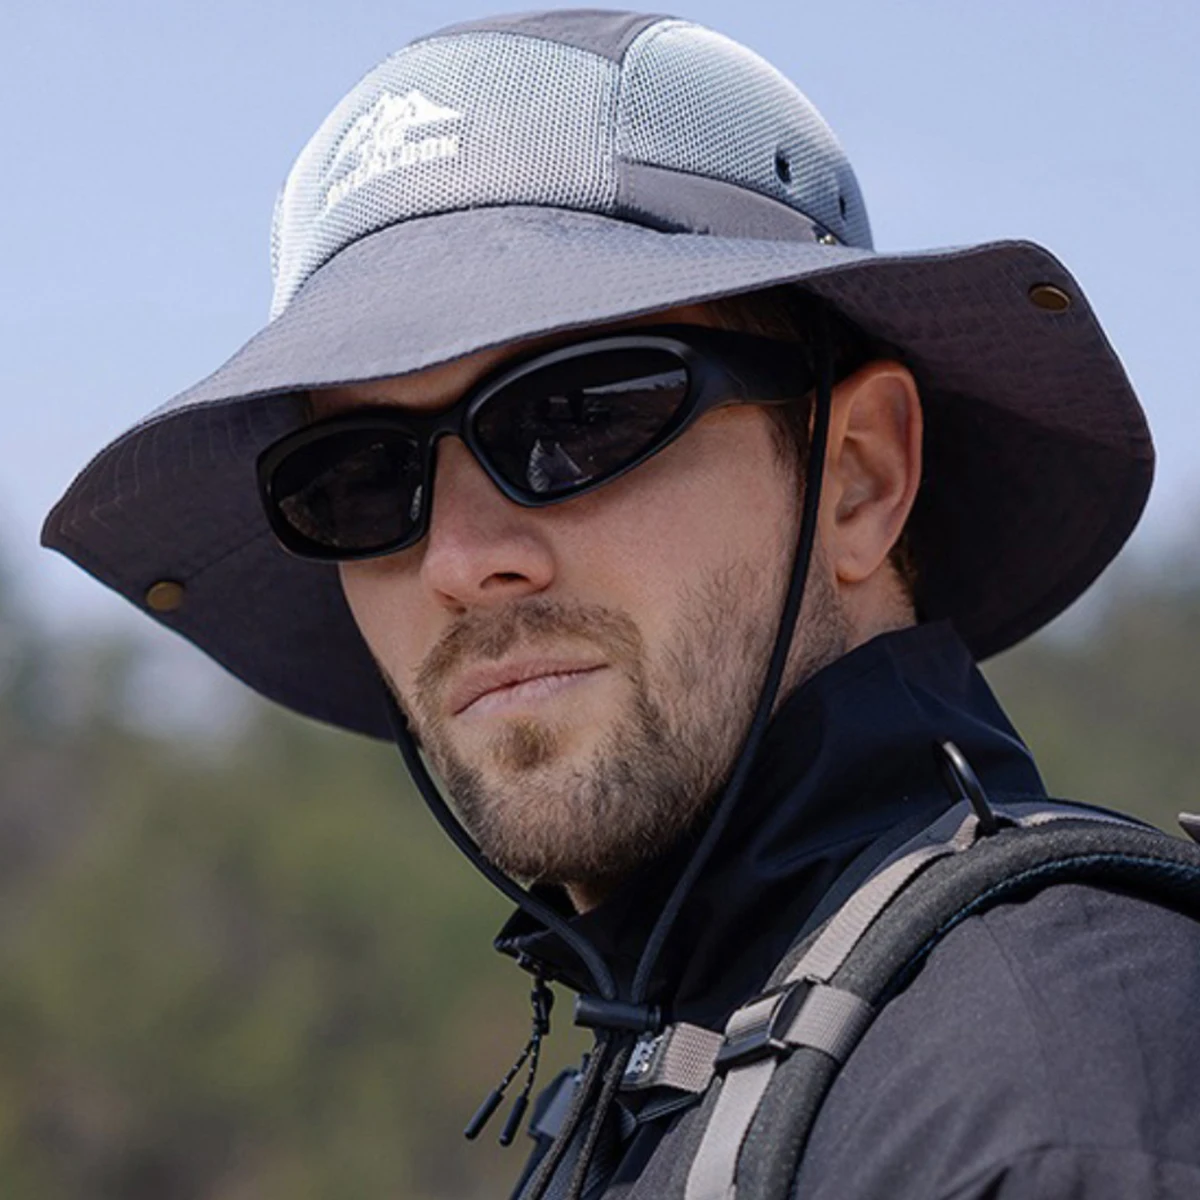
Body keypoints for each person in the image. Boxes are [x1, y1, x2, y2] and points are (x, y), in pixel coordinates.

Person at [43, 9, 1200, 1199]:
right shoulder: (678, 1076)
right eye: (363, 481)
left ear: (857, 477)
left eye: (575, 418)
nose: (460, 559)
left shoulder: (1047, 1088)